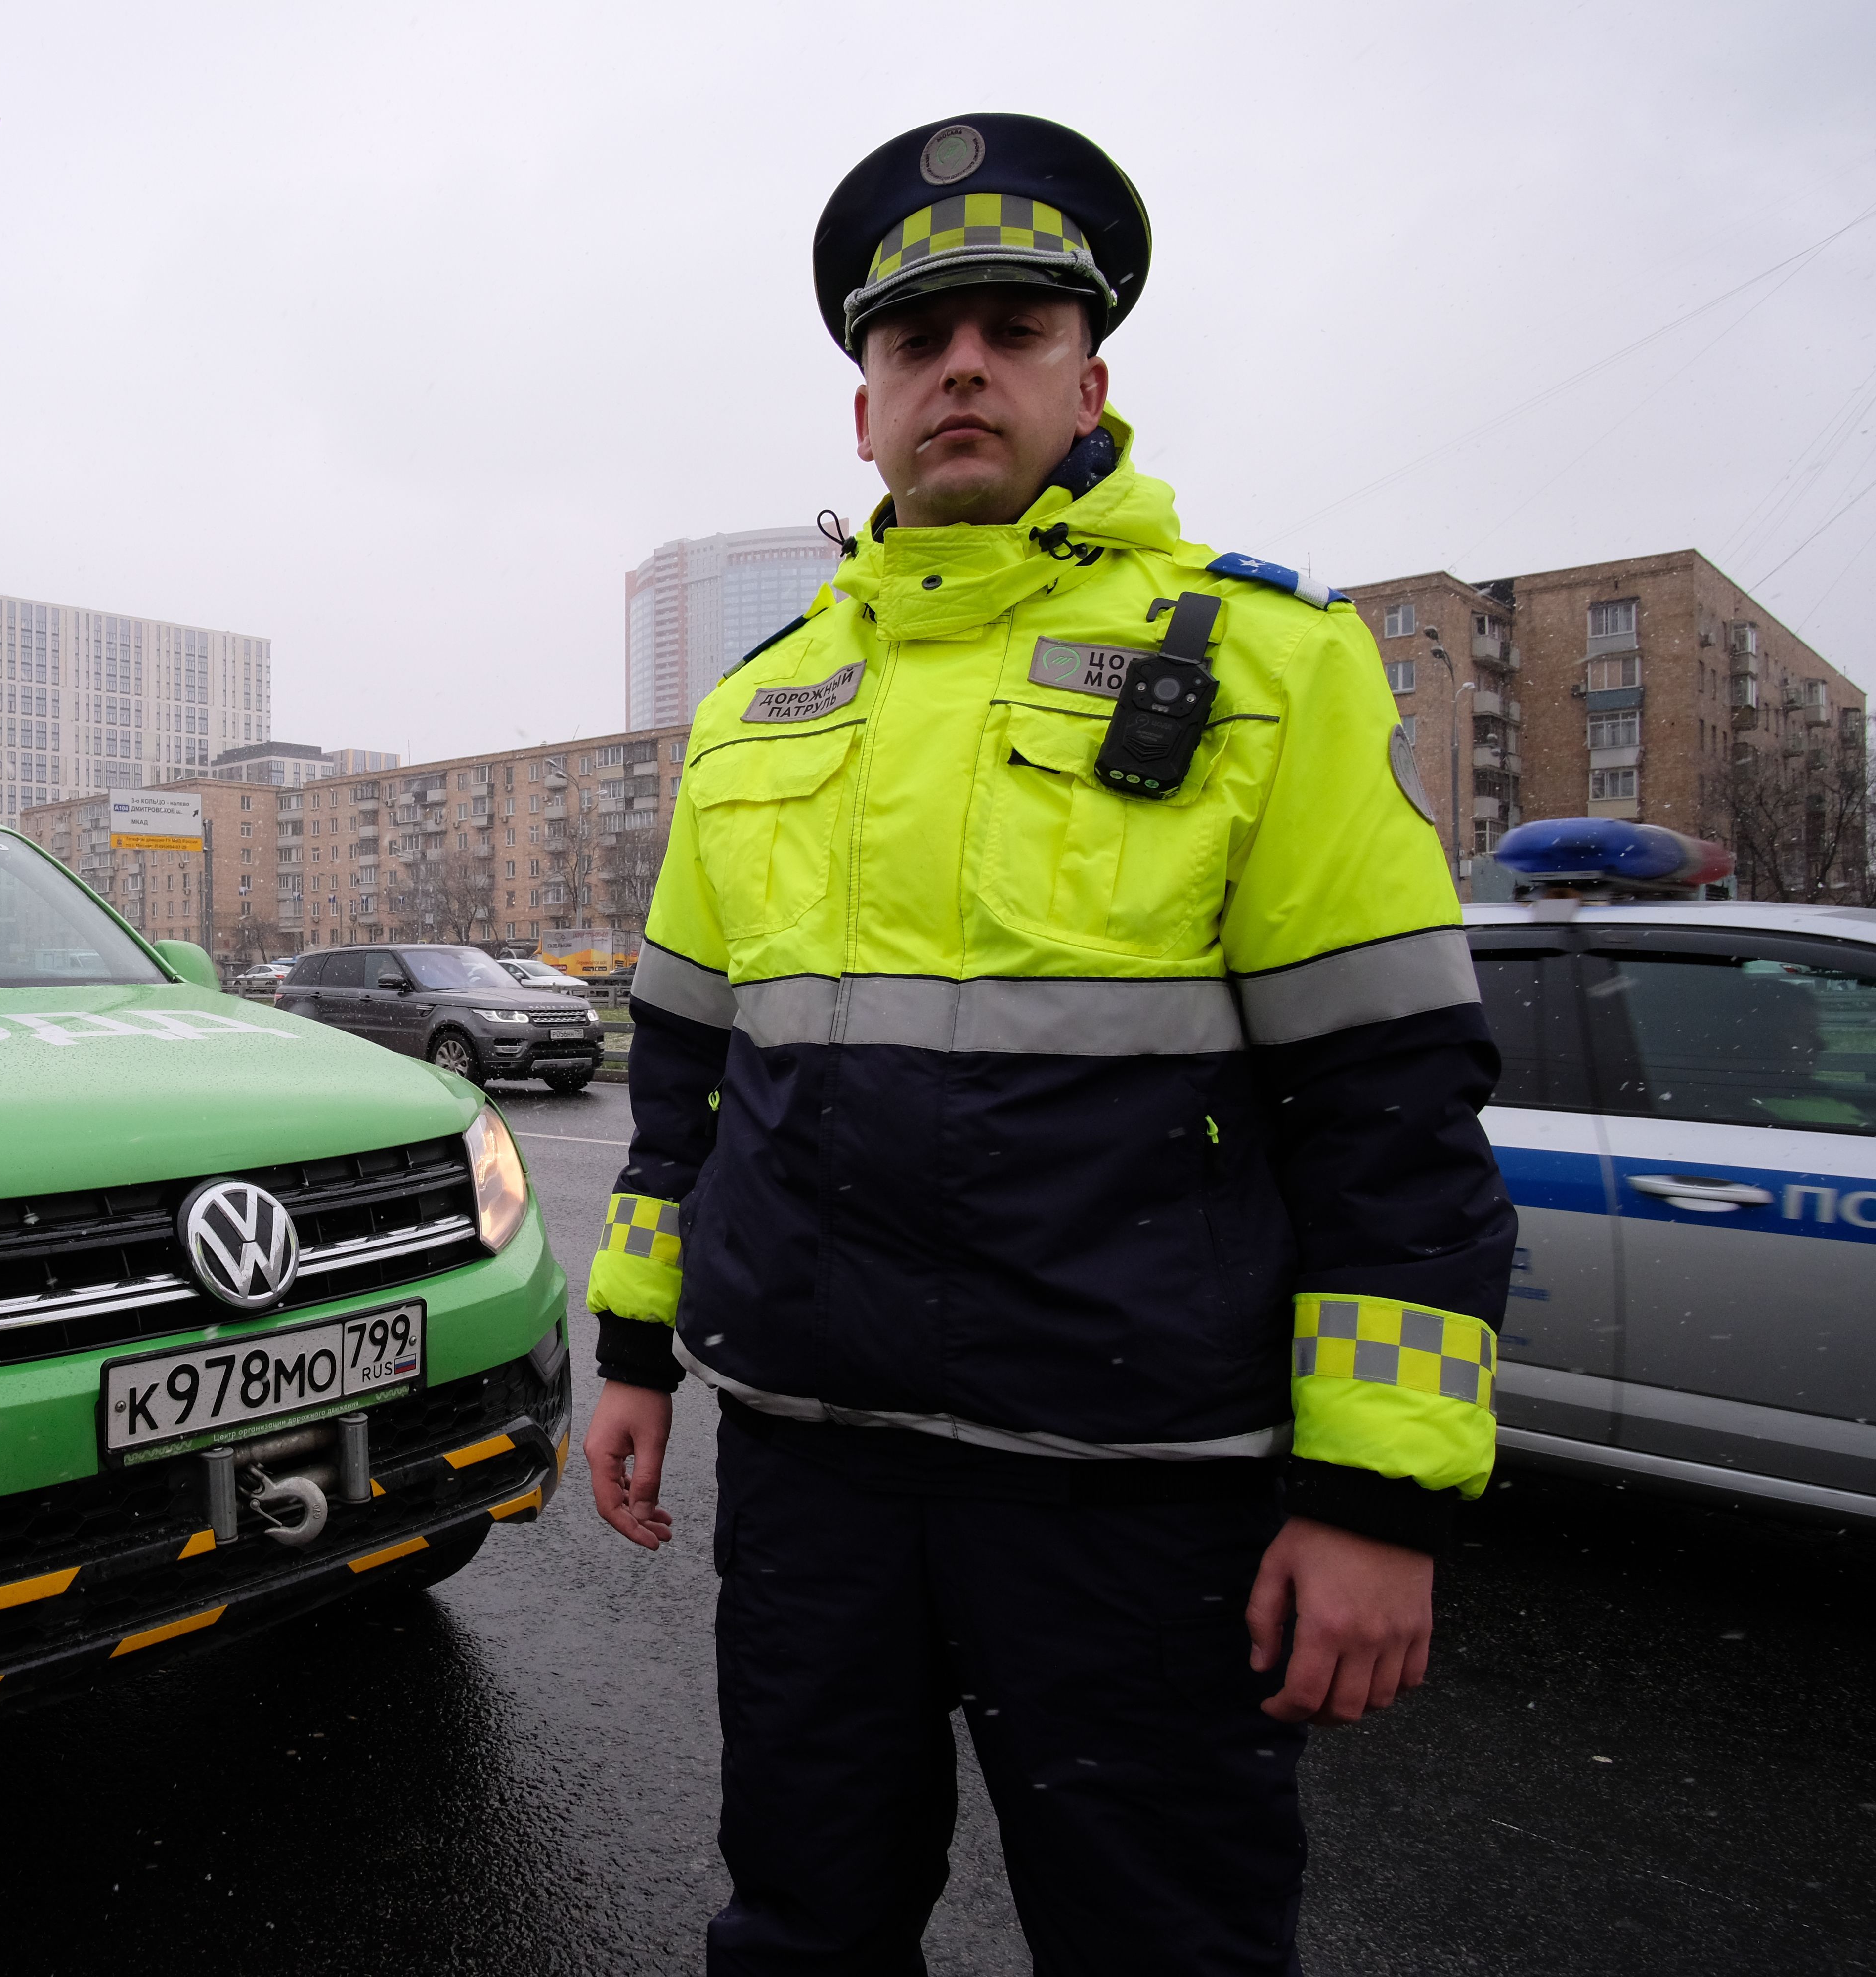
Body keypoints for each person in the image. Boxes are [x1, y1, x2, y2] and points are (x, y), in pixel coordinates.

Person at [582, 114, 1514, 1976]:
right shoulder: (760, 704)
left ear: (1090, 377)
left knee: (1163, 1939)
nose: (961, 369)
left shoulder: (1269, 663)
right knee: (800, 1923)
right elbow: (683, 1069)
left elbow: (1389, 1108)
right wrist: (631, 1356)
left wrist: (1377, 1499)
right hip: (816, 1468)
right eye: (915, 341)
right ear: (863, 408)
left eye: (1012, 328)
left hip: (1135, 1487)